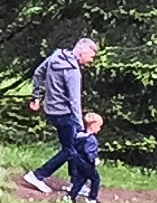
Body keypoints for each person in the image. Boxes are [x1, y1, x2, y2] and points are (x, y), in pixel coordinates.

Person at [21, 38, 99, 194]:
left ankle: (75, 183)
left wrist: (36, 96)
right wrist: (80, 125)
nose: (91, 61)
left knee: (72, 146)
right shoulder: (73, 71)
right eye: (91, 56)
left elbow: (38, 73)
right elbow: (74, 100)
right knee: (70, 150)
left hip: (50, 110)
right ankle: (38, 175)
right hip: (64, 113)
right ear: (82, 52)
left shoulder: (56, 56)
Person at [66, 112, 106, 203]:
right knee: (96, 179)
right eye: (99, 126)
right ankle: (92, 198)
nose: (100, 129)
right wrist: (94, 159)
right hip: (86, 164)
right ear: (93, 125)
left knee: (81, 180)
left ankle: (71, 196)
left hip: (77, 161)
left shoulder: (79, 136)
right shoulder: (91, 140)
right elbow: (89, 152)